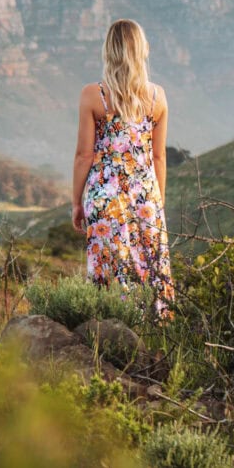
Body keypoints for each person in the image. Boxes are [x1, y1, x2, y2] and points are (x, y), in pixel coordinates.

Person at [71, 19, 175, 318]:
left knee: (110, 271)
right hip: (147, 199)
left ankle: (109, 334)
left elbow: (83, 156)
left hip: (105, 199)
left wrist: (76, 203)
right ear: (142, 50)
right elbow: (158, 158)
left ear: (109, 51)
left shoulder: (94, 95)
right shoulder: (158, 97)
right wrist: (158, 202)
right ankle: (157, 334)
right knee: (151, 270)